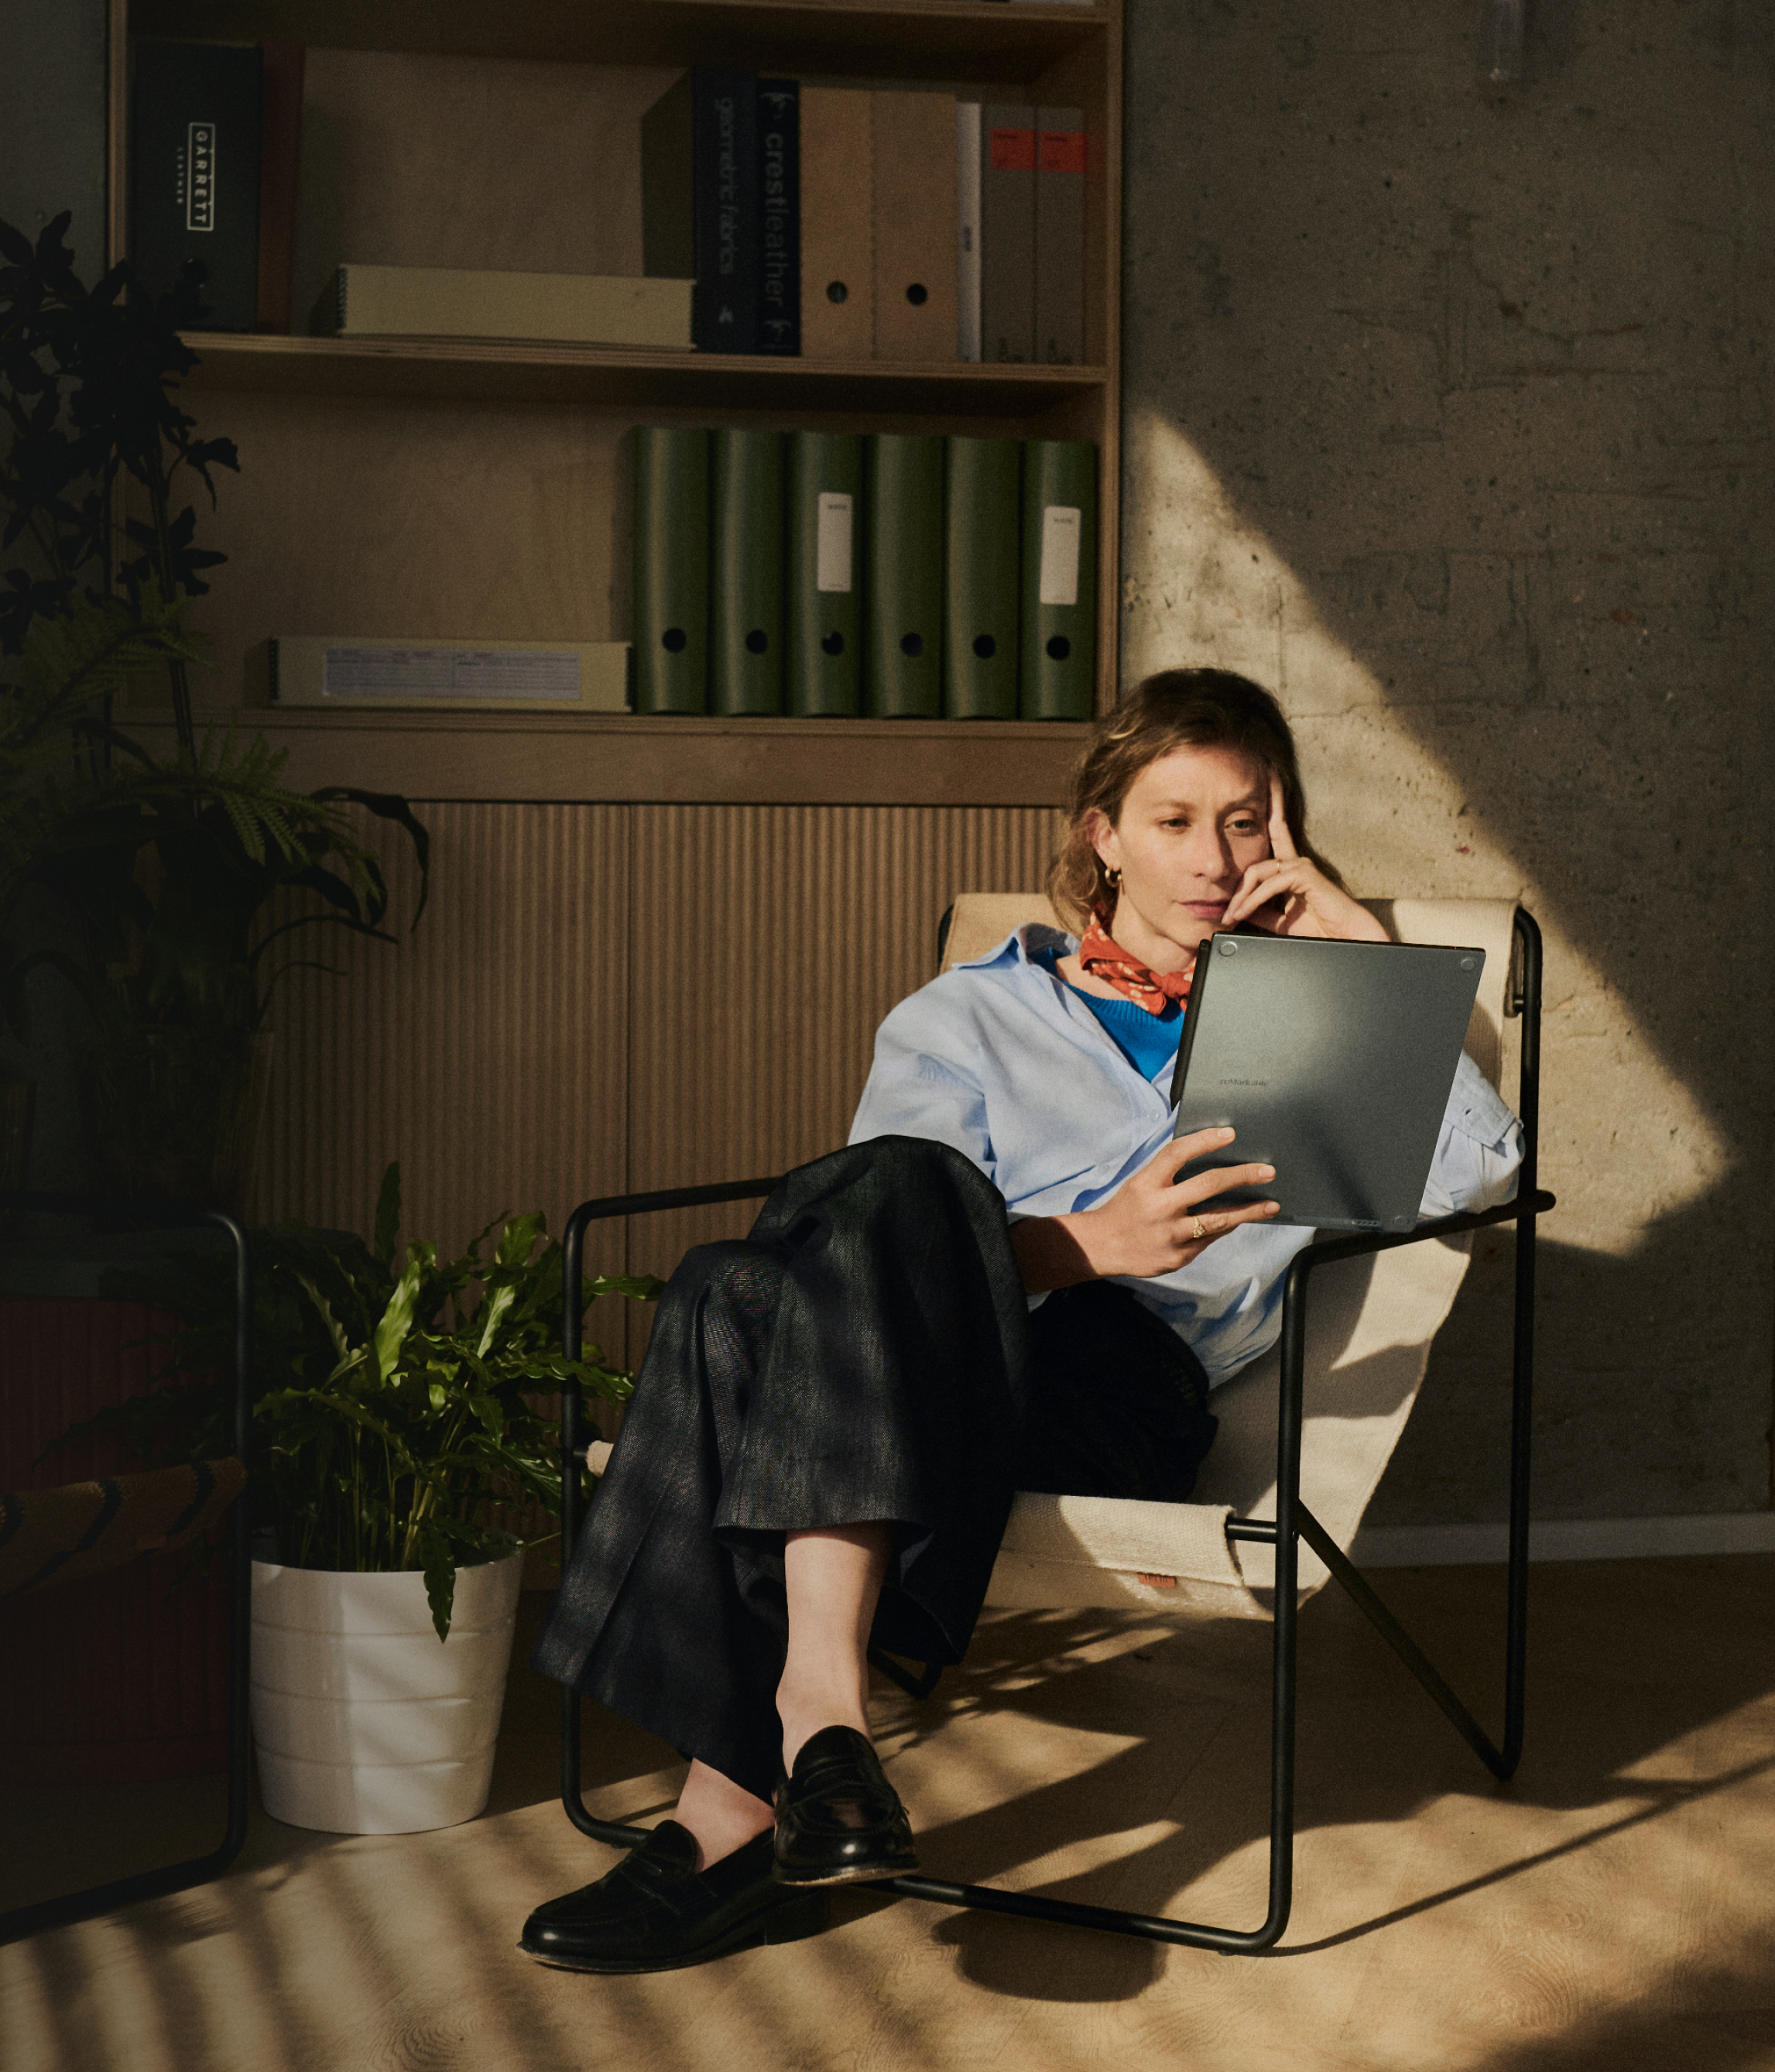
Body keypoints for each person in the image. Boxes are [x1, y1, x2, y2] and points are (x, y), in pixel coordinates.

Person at [519, 667, 1526, 1974]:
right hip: (927, 1371)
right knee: (868, 1208)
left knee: (728, 1290)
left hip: (1117, 1393)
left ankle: (743, 1794)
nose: (1215, 859)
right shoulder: (973, 1014)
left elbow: (1481, 1178)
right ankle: (813, 1747)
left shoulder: (1319, 1032)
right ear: (1100, 834)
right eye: (1174, 821)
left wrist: (1370, 971)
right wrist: (1086, 1243)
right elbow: (868, 1252)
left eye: (1246, 819)